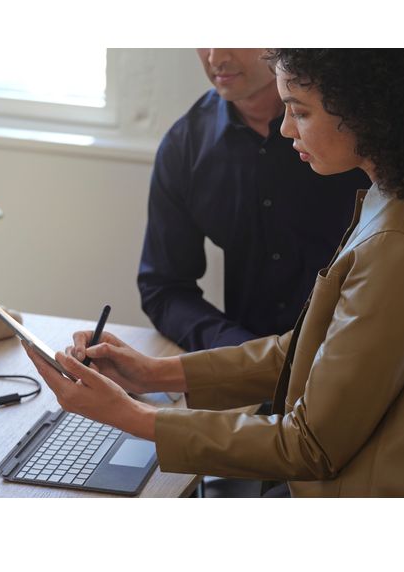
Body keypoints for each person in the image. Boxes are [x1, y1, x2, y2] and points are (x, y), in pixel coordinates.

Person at [25, 49, 404, 497]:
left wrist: (129, 415)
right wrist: (153, 374)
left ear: (367, 109)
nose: (285, 127)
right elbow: (311, 351)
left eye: (299, 111)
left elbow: (309, 445)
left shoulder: (400, 245)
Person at [138, 48, 370, 352]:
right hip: (246, 377)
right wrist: (237, 349)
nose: (214, 57)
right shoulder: (186, 144)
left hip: (352, 360)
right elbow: (164, 288)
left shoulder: (352, 131)